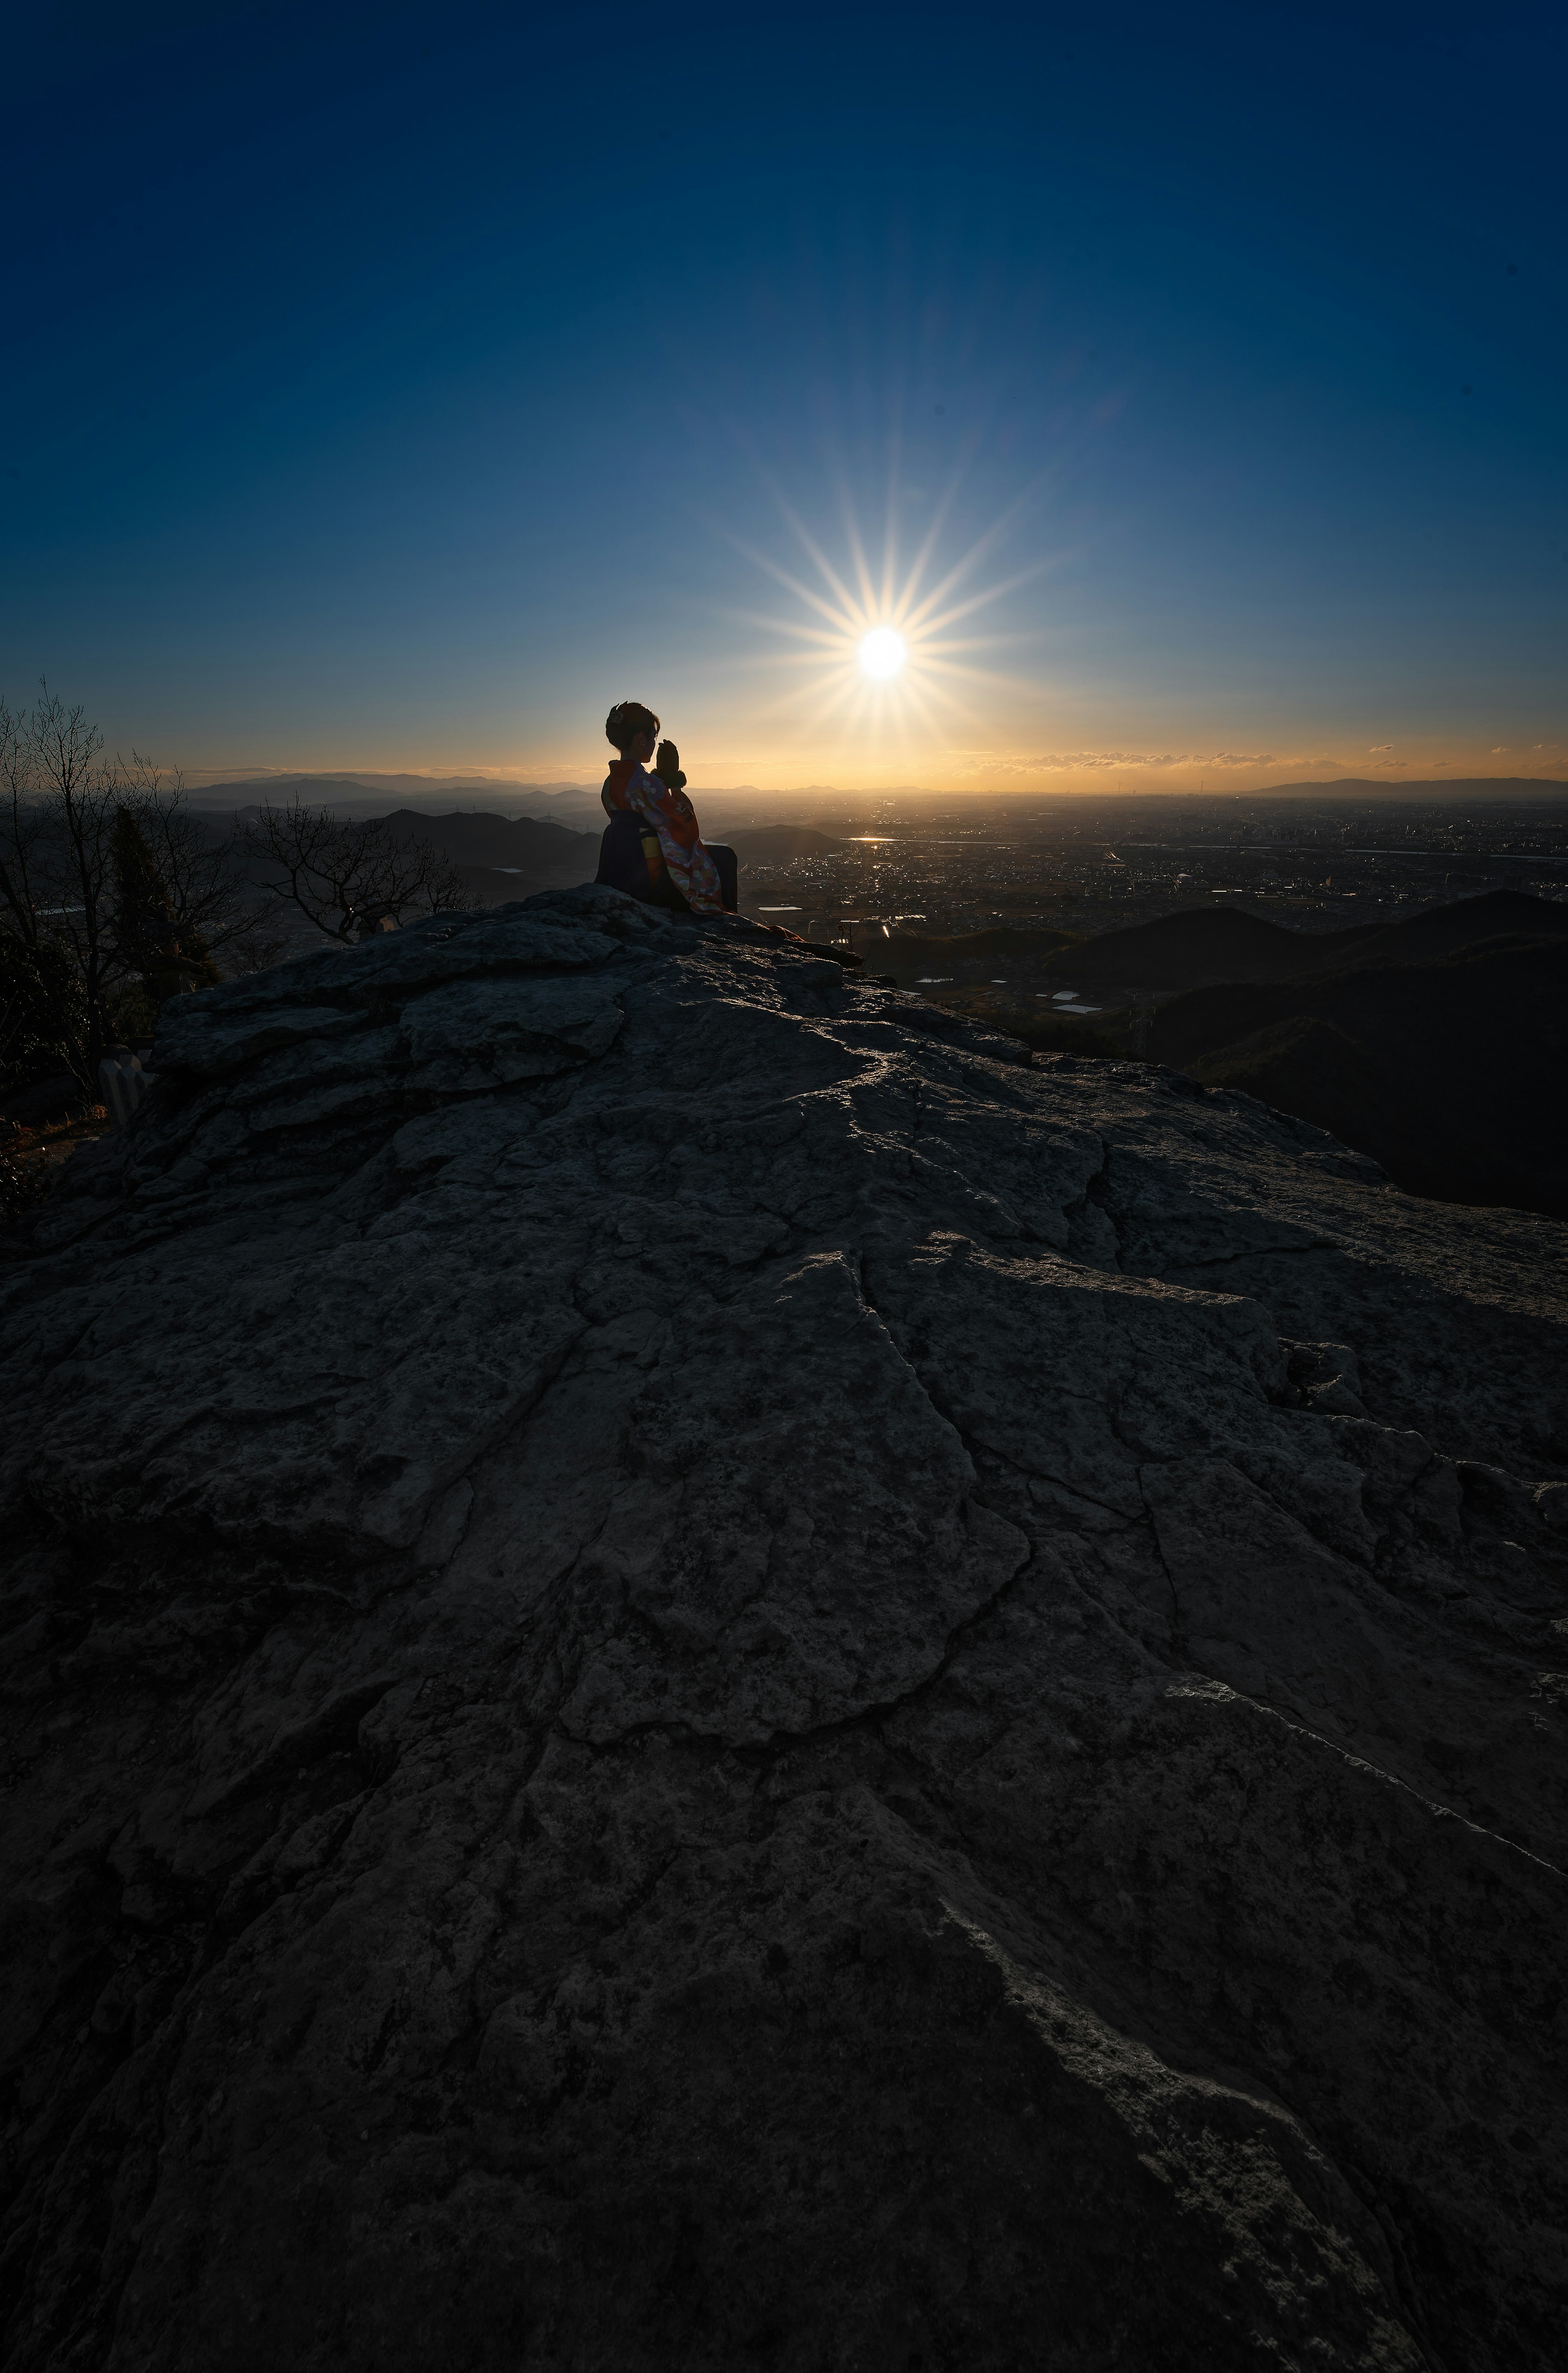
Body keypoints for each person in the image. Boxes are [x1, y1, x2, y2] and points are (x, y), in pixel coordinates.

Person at [594, 701, 737, 914]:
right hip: (650, 877)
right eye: (653, 736)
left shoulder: (610, 782)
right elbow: (684, 824)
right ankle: (726, 922)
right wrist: (674, 784)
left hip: (621, 871)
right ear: (641, 739)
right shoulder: (645, 783)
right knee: (725, 858)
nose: (654, 742)